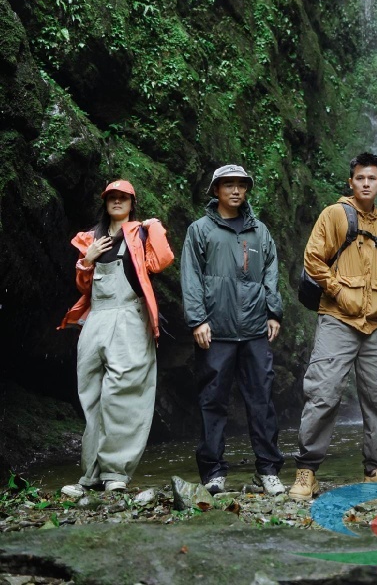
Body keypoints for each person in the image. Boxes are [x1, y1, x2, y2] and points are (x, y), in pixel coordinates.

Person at [289, 152, 377, 500]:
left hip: (374, 325)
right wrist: (339, 291)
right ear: (351, 182)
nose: (366, 183)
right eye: (360, 178)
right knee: (323, 394)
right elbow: (313, 259)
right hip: (337, 319)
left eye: (372, 178)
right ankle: (306, 472)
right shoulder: (335, 215)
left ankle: (375, 469)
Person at [58, 179, 174, 497]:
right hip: (97, 317)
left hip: (129, 317)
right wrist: (88, 258)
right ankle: (91, 475)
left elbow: (161, 262)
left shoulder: (139, 232)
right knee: (92, 396)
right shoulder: (89, 238)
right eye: (113, 197)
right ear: (105, 201)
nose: (118, 201)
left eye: (124, 198)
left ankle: (115, 472)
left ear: (132, 203)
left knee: (123, 393)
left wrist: (156, 227)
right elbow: (84, 285)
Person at [181, 165, 285, 497]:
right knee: (213, 401)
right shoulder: (200, 231)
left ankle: (268, 470)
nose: (236, 191)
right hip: (216, 330)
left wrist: (273, 312)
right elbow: (191, 276)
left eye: (241, 185)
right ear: (215, 190)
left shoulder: (259, 232)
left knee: (262, 400)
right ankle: (213, 472)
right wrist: (197, 320)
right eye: (228, 185)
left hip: (255, 329)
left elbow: (270, 271)